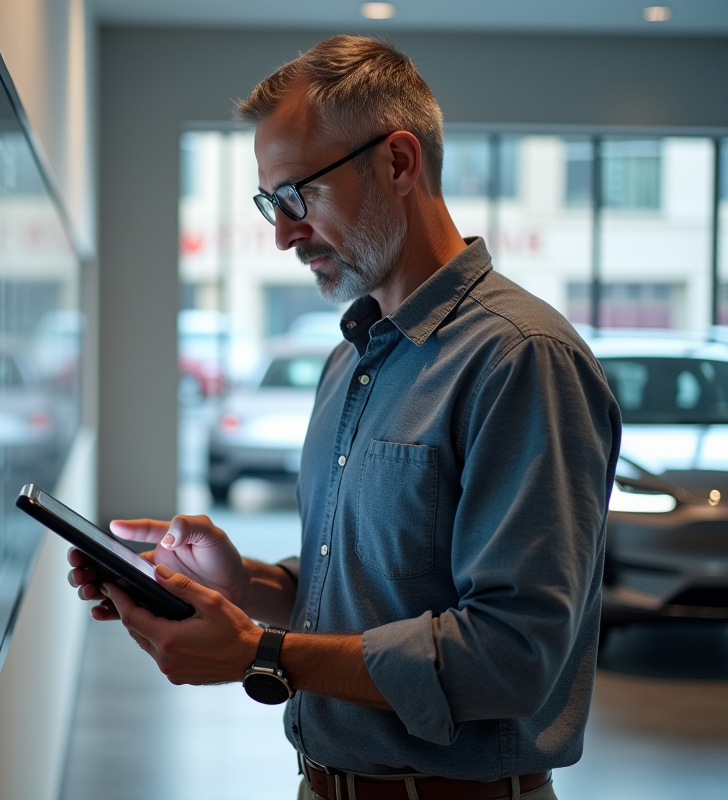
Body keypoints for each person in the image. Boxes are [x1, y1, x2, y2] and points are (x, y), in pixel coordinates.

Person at [69, 36, 620, 800]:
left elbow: (514, 656)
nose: (283, 234)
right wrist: (245, 582)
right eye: (271, 203)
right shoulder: (352, 359)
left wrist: (262, 652)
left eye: (298, 195)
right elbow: (367, 587)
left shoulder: (522, 358)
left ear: (398, 162)